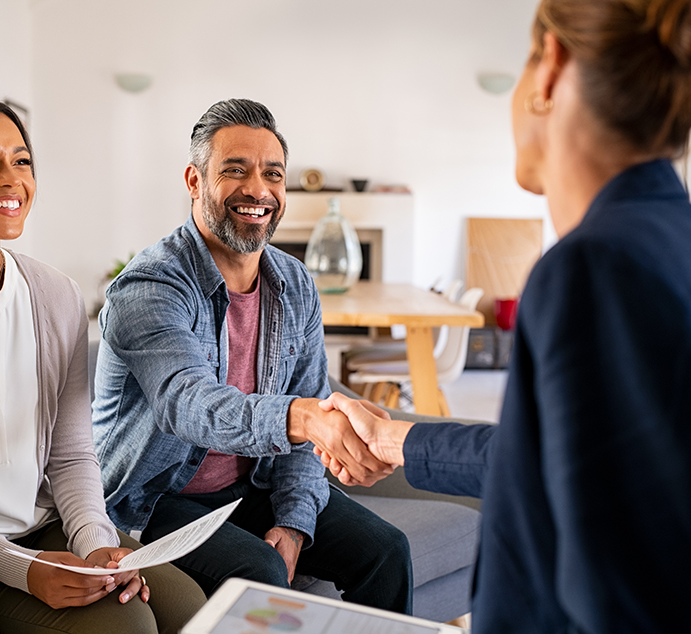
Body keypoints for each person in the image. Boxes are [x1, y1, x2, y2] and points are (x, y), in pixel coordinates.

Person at [318, 0, 691, 632]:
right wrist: (395, 438)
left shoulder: (595, 267)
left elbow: (620, 589)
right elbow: (554, 463)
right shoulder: (666, 237)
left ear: (549, 66)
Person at [0, 96, 205, 634]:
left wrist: (98, 544)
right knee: (126, 628)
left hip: (45, 525)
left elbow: (73, 454)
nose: (12, 179)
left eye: (22, 160)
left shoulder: (56, 296)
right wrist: (23, 571)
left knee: (187, 606)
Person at [92, 98, 413, 614]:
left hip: (249, 484)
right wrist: (303, 416)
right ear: (194, 182)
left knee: (386, 552)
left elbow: (306, 421)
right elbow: (187, 404)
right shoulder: (150, 286)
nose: (258, 190)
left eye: (273, 175)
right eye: (235, 171)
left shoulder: (294, 283)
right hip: (155, 501)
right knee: (258, 572)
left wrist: (293, 522)